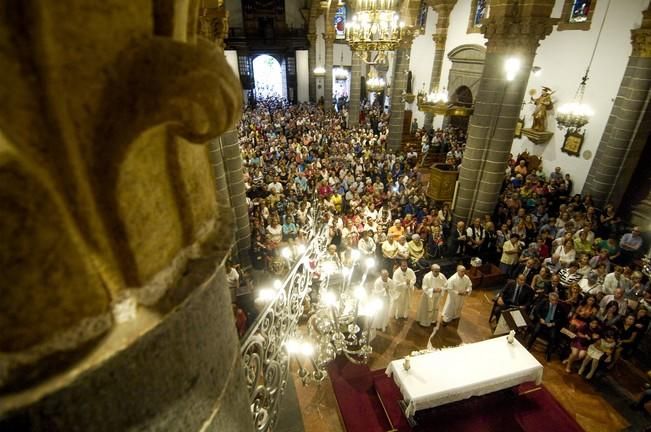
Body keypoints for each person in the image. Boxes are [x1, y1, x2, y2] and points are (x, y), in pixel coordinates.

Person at [527, 292, 565, 361]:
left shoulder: (560, 307)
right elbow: (536, 311)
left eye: (556, 300)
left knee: (552, 337)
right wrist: (540, 318)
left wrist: (553, 323)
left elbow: (562, 319)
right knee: (535, 331)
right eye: (553, 300)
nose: (555, 302)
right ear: (549, 299)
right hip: (542, 321)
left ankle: (548, 354)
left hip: (552, 323)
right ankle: (528, 346)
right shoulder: (544, 302)